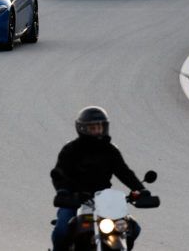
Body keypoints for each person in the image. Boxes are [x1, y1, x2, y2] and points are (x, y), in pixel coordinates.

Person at [51, 106, 146, 250]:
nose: (97, 131)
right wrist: (63, 191)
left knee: (132, 228)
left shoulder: (110, 150)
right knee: (62, 231)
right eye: (93, 128)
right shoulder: (71, 150)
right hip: (74, 199)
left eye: (99, 127)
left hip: (103, 200)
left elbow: (124, 172)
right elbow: (59, 174)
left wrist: (140, 189)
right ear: (82, 129)